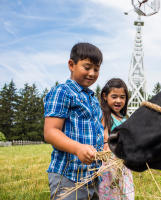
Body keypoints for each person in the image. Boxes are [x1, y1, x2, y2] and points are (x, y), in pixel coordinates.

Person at [44, 42, 104, 200]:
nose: (92, 73)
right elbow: (51, 132)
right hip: (68, 176)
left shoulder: (92, 98)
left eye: (96, 69)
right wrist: (78, 148)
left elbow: (98, 130)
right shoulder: (62, 92)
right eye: (87, 67)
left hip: (92, 175)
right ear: (71, 65)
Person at [98, 78, 134, 200]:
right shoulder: (105, 115)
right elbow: (105, 137)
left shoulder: (123, 118)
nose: (118, 100)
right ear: (105, 96)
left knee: (125, 193)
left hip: (123, 164)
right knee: (111, 194)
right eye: (114, 97)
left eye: (122, 97)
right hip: (110, 163)